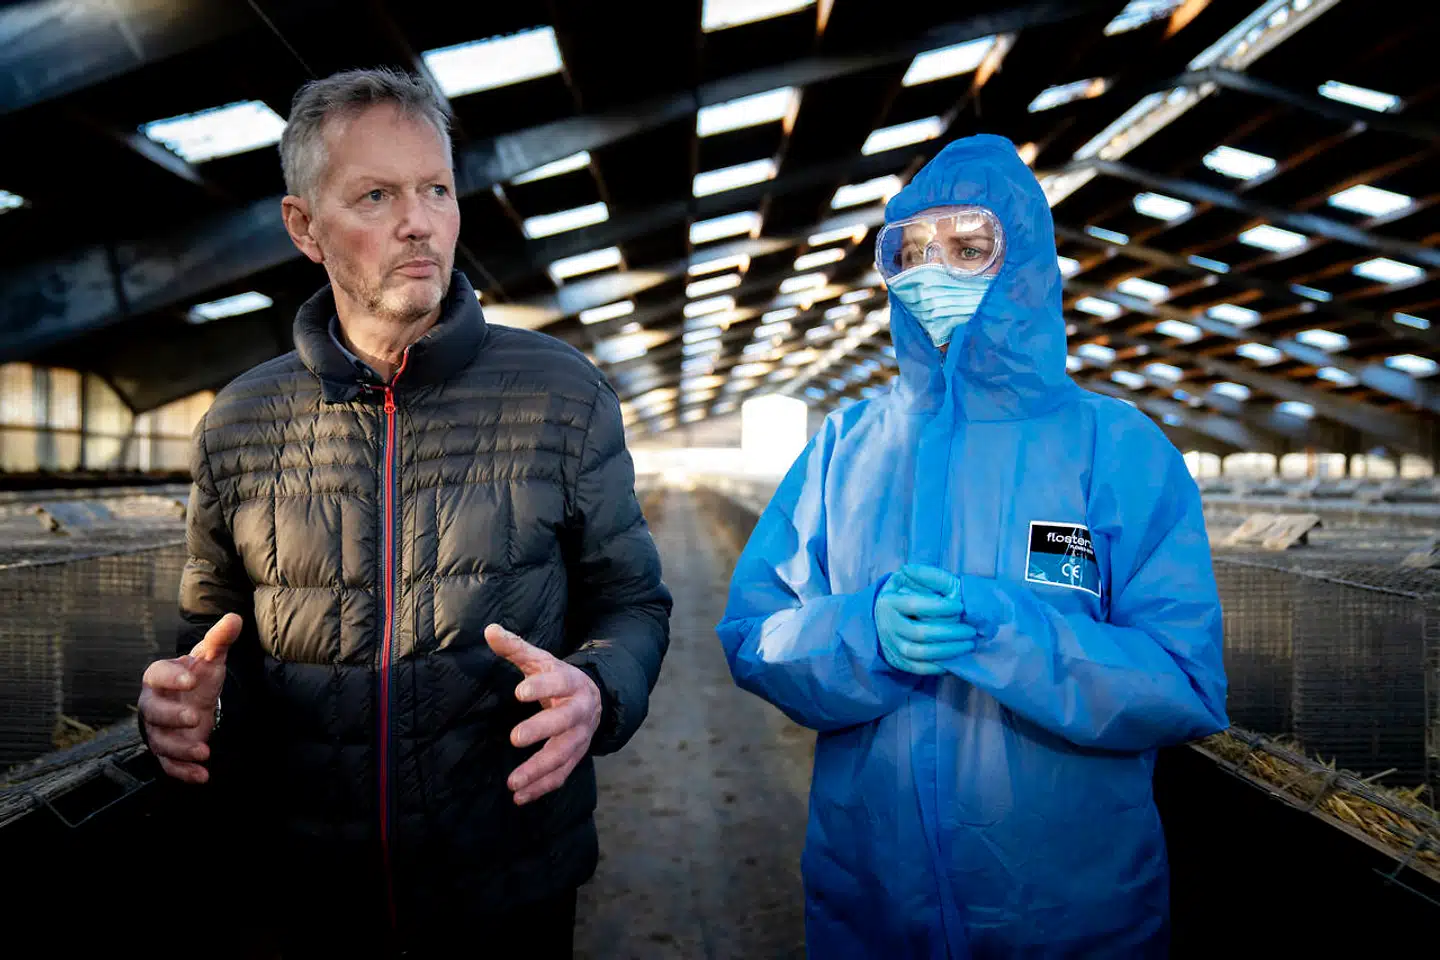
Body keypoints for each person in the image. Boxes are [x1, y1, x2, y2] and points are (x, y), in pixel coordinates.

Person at [136, 68, 671, 957]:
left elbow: (633, 603)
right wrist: (182, 705)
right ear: (304, 227)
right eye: (376, 195)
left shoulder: (560, 395)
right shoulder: (239, 421)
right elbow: (205, 635)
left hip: (507, 881)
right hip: (300, 890)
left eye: (435, 189)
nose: (418, 221)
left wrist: (600, 688)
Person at [716, 134, 1228, 958]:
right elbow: (754, 633)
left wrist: (1006, 633)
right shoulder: (844, 448)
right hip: (872, 898)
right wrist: (861, 634)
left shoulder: (1117, 449)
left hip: (1067, 914)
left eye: (969, 247)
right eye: (912, 251)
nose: (934, 273)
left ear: (1020, 257)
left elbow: (1185, 682)